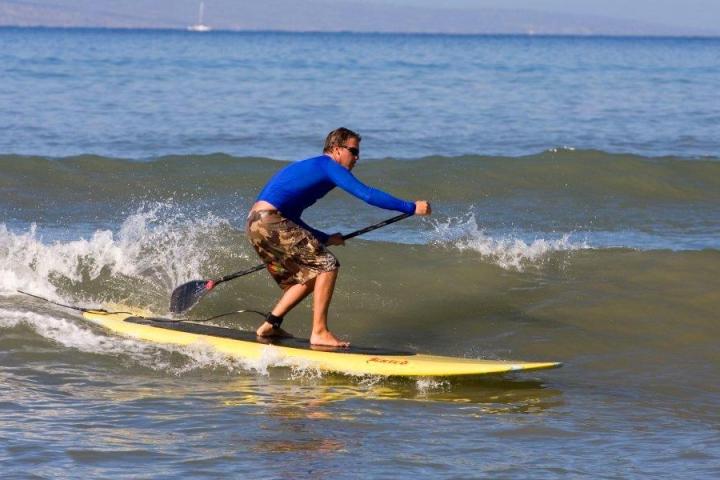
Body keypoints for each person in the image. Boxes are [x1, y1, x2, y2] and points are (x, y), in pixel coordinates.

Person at [246, 128, 431, 347]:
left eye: (358, 153)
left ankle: (270, 325)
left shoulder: (314, 167)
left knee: (310, 277)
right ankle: (320, 332)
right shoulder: (328, 166)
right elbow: (367, 194)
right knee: (328, 266)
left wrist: (323, 237)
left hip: (255, 223)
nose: (356, 158)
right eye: (353, 151)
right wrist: (410, 207)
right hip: (270, 221)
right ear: (336, 150)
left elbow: (291, 216)